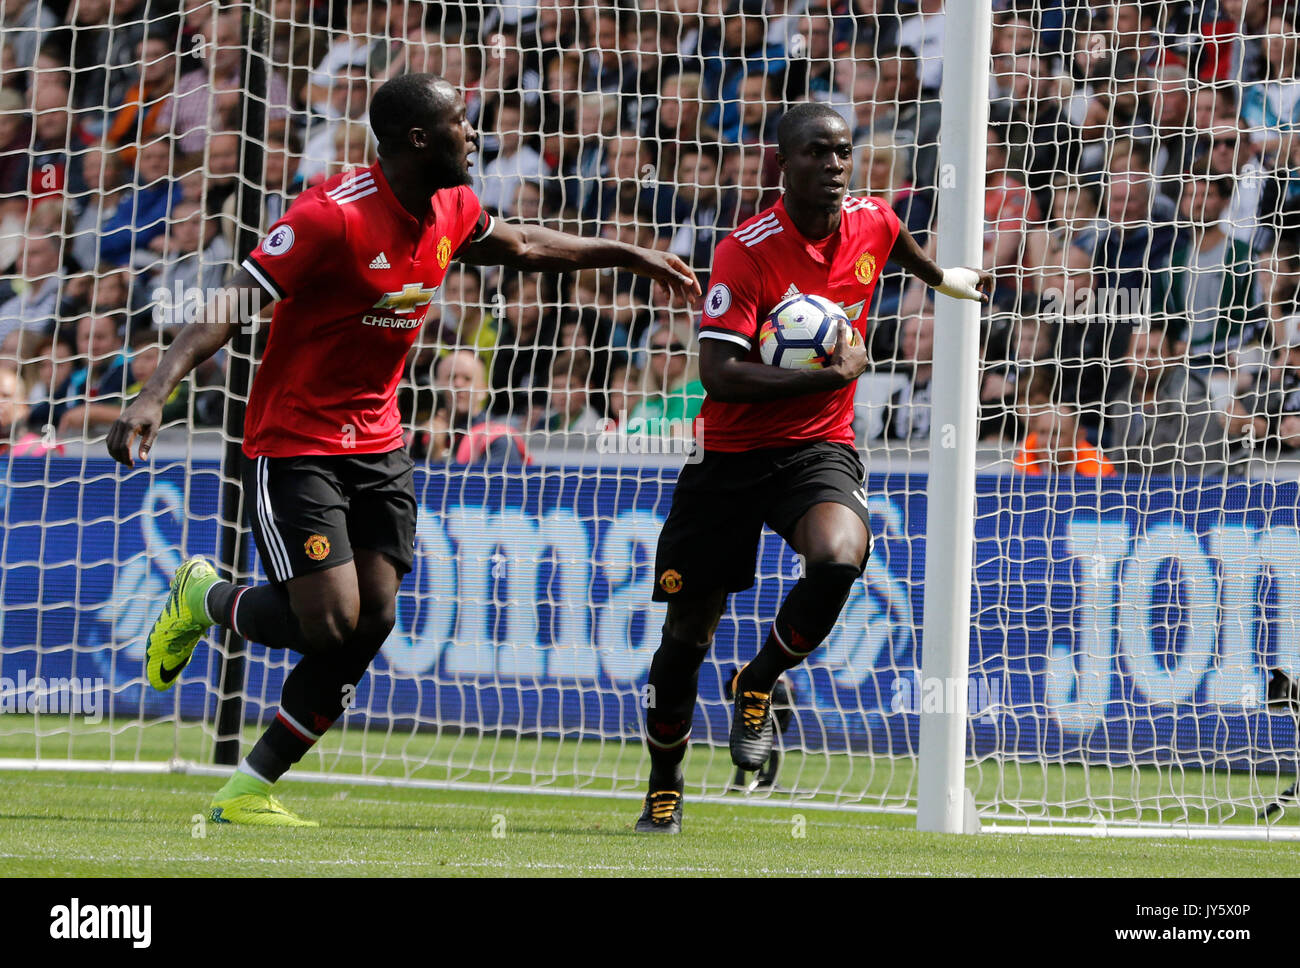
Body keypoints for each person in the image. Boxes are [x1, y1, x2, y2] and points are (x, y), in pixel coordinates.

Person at [106, 72, 699, 827]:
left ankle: (248, 790)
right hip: (298, 443)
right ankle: (202, 598)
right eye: (463, 123)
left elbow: (523, 243)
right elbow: (231, 302)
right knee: (326, 621)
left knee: (375, 617)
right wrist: (156, 391)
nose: (476, 135)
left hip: (380, 445)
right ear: (419, 139)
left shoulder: (451, 205)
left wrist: (627, 253)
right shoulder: (331, 218)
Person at [634, 101, 990, 834]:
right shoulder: (745, 250)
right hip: (728, 455)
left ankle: (758, 681)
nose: (833, 166)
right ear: (781, 165)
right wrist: (831, 377)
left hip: (815, 448)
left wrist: (947, 278)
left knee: (839, 558)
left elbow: (902, 249)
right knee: (683, 643)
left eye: (841, 152)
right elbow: (721, 374)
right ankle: (664, 785)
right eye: (816, 154)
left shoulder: (872, 220)